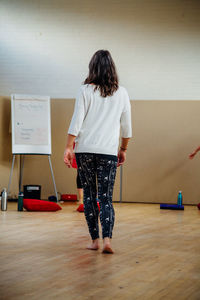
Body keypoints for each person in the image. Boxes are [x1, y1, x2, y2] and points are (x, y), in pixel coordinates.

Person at [64, 50, 132, 254]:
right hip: (108, 152)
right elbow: (127, 128)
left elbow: (76, 121)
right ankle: (108, 241)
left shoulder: (84, 90)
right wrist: (123, 149)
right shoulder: (122, 93)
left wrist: (68, 147)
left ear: (92, 68)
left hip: (84, 150)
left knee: (89, 196)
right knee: (105, 197)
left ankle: (94, 240)